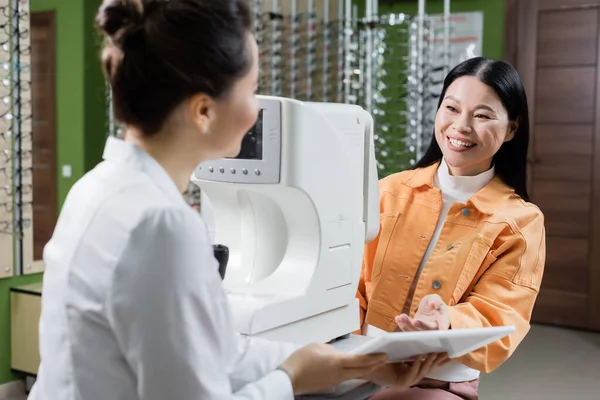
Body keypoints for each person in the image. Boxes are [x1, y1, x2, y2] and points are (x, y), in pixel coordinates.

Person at [29, 1, 448, 399]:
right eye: (252, 89)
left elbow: (217, 354)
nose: (256, 112)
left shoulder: (96, 187)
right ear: (204, 111)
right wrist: (292, 379)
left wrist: (352, 364)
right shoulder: (160, 225)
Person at [356, 57, 546, 400]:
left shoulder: (520, 221)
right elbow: (348, 283)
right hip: (358, 366)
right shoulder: (388, 191)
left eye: (483, 115)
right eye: (452, 108)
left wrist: (446, 323)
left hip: (437, 382)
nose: (461, 126)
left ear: (512, 129)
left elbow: (502, 315)